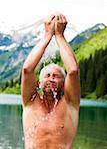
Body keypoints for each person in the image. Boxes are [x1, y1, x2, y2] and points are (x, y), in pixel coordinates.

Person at [21, 13, 80, 149]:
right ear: (38, 83)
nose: (51, 78)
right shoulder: (30, 101)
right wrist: (47, 35)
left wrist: (59, 36)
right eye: (47, 75)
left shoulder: (70, 104)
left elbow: (73, 71)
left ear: (64, 83)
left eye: (56, 76)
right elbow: (27, 70)